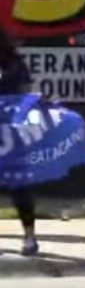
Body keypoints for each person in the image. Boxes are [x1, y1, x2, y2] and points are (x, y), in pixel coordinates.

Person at [0, 29, 39, 256]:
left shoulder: (14, 64)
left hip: (12, 132)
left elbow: (27, 96)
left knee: (19, 186)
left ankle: (30, 236)